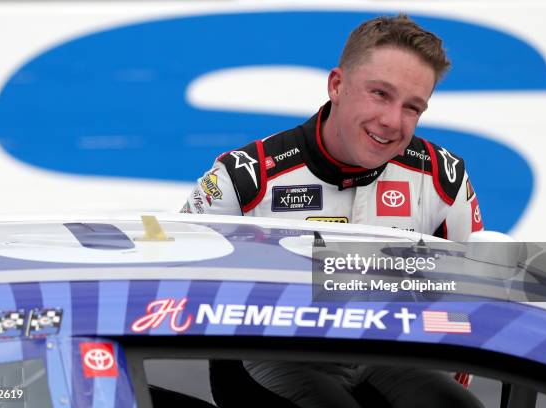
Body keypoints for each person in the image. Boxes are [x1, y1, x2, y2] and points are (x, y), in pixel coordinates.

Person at [183, 13, 484, 408]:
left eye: (412, 107)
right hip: (275, 358)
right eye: (380, 93)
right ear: (337, 85)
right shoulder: (246, 176)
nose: (392, 121)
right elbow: (180, 286)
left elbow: (475, 304)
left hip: (390, 357)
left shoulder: (442, 177)